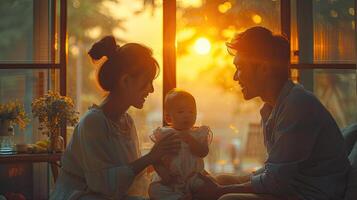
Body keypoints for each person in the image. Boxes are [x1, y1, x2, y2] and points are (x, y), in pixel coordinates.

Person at [193, 26, 351, 200]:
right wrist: (224, 184)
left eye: (239, 67)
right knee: (222, 179)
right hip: (292, 187)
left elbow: (276, 181)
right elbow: (275, 170)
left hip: (310, 195)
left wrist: (221, 191)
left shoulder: (297, 106)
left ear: (264, 68)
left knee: (227, 198)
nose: (235, 77)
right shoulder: (272, 108)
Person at [50, 36, 181, 200]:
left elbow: (129, 175)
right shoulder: (93, 122)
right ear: (125, 81)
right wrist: (151, 157)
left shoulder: (127, 122)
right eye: (147, 82)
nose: (152, 90)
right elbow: (103, 185)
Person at [148, 89, 212, 200]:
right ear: (168, 117)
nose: (187, 115)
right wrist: (164, 174)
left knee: (207, 185)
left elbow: (203, 152)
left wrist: (191, 140)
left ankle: (188, 195)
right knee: (154, 189)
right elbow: (155, 158)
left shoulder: (198, 133)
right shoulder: (165, 134)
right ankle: (179, 197)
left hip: (193, 177)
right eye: (181, 112)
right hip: (172, 179)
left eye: (191, 112)